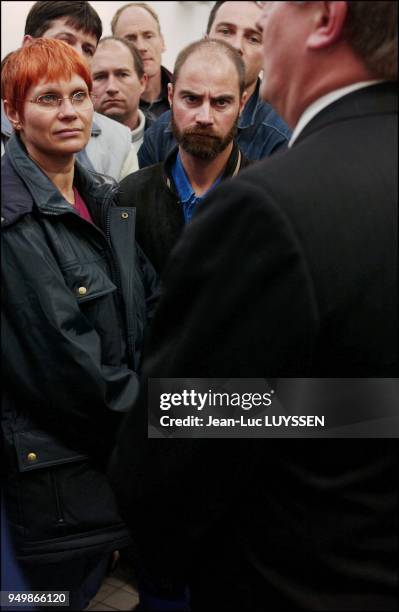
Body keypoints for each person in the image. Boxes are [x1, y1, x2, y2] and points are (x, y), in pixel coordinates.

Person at [108, 1, 398, 610]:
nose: (263, 28)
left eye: (275, 10)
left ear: (325, 17)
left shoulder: (271, 204)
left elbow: (179, 434)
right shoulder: (137, 196)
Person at [1, 38, 157, 609]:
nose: (69, 111)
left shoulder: (106, 197)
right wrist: (173, 420)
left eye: (79, 95)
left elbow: (148, 312)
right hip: (62, 496)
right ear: (13, 113)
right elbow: (70, 369)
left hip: (111, 483)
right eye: (47, 98)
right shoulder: (12, 220)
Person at [118, 39, 251, 274]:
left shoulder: (267, 201)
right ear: (170, 96)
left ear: (242, 104)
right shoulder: (130, 198)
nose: (204, 117)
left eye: (221, 102)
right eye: (191, 99)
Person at [137, 0, 291, 168]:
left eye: (253, 38)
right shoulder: (161, 132)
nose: (236, 46)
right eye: (226, 31)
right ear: (205, 40)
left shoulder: (281, 138)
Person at [1, 0, 138, 181]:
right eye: (65, 41)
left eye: (88, 49)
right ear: (29, 46)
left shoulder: (118, 141)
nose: (77, 55)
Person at [111, 2, 172, 123]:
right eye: (130, 39)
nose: (141, 47)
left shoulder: (185, 95)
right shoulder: (107, 104)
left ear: (162, 42)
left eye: (148, 36)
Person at [92, 36, 148, 154]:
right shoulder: (75, 148)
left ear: (142, 82)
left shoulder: (167, 141)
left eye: (122, 75)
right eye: (100, 77)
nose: (111, 87)